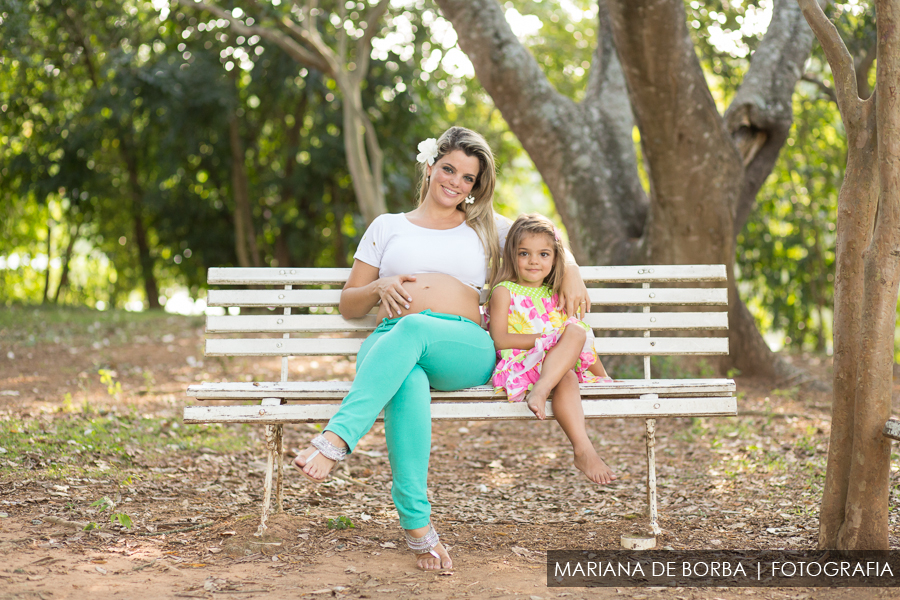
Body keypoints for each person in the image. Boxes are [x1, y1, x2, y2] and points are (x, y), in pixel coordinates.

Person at [292, 127, 592, 571]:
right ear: (430, 165)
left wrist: (572, 272)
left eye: (468, 178)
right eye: (448, 169)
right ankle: (419, 529)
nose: (455, 182)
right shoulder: (386, 226)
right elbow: (349, 303)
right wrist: (379, 285)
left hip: (463, 347)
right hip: (389, 341)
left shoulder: (487, 226)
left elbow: (547, 242)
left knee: (414, 328)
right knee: (407, 377)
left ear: (475, 187)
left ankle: (335, 439)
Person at [486, 213, 617, 485]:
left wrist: (603, 378)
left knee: (574, 346)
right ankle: (544, 389)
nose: (534, 261)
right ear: (512, 255)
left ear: (556, 258)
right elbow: (499, 339)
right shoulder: (504, 291)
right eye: (525, 253)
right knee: (571, 336)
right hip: (522, 363)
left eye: (544, 254)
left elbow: (580, 345)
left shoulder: (556, 294)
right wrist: (544, 340)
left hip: (555, 368)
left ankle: (582, 450)